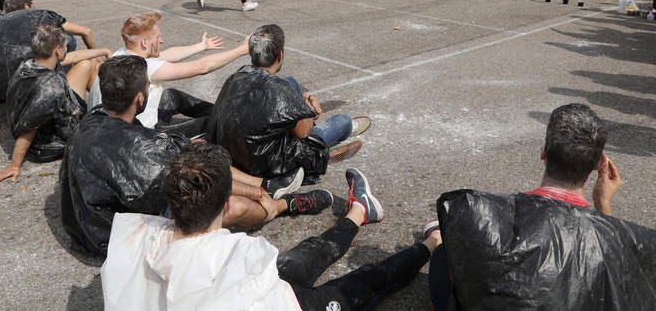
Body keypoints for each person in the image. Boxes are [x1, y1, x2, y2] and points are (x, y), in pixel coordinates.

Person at [101, 144, 443, 310]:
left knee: (305, 257)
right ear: (226, 206)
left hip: (242, 286)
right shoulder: (240, 251)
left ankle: (359, 212)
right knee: (360, 283)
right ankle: (431, 244)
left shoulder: (136, 237)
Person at [61, 56, 331, 256]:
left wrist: (255, 185)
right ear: (140, 99)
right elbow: (202, 181)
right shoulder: (140, 149)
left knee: (192, 151)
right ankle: (283, 204)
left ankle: (264, 184)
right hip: (115, 240)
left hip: (85, 229)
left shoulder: (89, 121)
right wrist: (256, 195)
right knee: (230, 206)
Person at [429, 103, 656, 310]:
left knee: (443, 252)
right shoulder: (633, 244)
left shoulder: (481, 214)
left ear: (544, 153)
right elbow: (621, 284)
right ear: (600, 164)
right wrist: (603, 206)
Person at [207, 24, 371, 181]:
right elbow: (304, 133)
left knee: (291, 81)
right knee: (342, 121)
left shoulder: (236, 76)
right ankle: (344, 131)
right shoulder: (280, 90)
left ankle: (306, 123)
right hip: (268, 163)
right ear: (280, 56)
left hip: (235, 154)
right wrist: (309, 113)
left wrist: (299, 103)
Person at [87, 12, 248, 138]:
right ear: (145, 42)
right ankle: (224, 119)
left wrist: (201, 46)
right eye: (158, 38)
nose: (162, 41)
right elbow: (202, 67)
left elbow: (166, 55)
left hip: (107, 126)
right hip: (141, 135)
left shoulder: (121, 56)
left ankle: (215, 112)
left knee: (171, 95)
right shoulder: (146, 68)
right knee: (211, 124)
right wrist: (241, 49)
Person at [0, 24, 109, 185]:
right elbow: (29, 128)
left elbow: (72, 57)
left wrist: (104, 51)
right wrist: (14, 165)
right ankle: (108, 116)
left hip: (48, 121)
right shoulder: (51, 87)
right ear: (57, 50)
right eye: (65, 46)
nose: (67, 49)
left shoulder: (30, 63)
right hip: (47, 145)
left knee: (87, 64)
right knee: (101, 119)